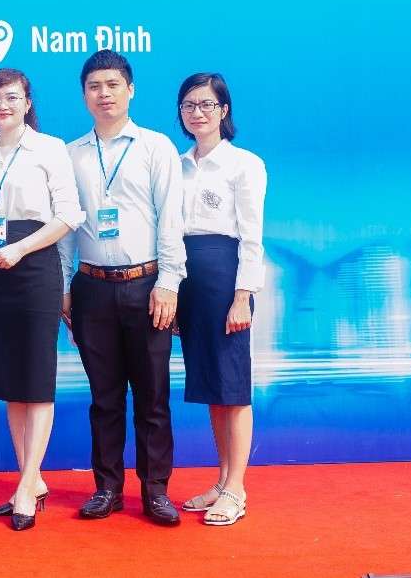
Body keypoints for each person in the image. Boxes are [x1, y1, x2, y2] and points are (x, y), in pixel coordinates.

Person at [59, 49, 186, 526]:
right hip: (91, 287)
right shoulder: (69, 154)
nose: (104, 94)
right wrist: (64, 288)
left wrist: (169, 283)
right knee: (104, 398)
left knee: (152, 397)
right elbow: (64, 229)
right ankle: (107, 488)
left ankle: (155, 491)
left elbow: (170, 220)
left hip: (147, 285)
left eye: (113, 84)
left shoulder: (155, 148)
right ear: (84, 95)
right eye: (94, 86)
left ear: (130, 90)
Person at [0, 68, 81, 531]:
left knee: (37, 379)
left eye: (12, 97)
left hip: (35, 268)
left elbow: (67, 216)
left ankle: (28, 485)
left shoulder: (49, 149)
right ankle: (29, 479)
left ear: (28, 103)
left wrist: (21, 248)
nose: (3, 105)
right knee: (11, 382)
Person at [174, 73, 266, 526]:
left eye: (207, 104)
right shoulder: (176, 165)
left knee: (233, 387)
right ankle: (222, 479)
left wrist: (242, 296)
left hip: (225, 278)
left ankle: (237, 488)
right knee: (213, 387)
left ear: (223, 110)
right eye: (189, 105)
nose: (198, 113)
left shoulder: (244, 164)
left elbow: (252, 236)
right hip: (187, 278)